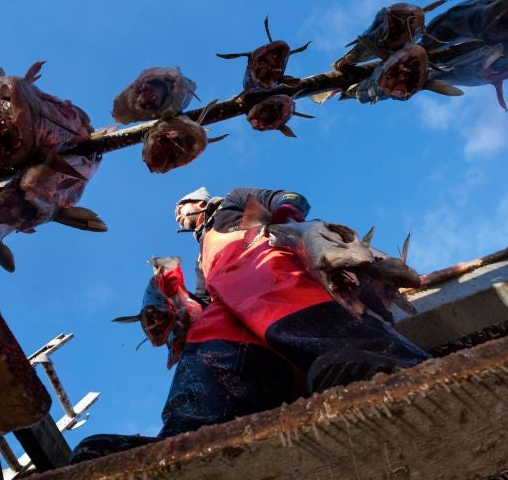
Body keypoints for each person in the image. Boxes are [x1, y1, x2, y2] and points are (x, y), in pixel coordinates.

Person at [70, 186, 430, 462]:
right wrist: (174, 305)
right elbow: (205, 299)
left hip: (263, 263)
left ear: (199, 202)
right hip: (230, 299)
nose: (179, 217)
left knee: (285, 303)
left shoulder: (231, 202)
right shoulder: (200, 259)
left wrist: (285, 213)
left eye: (182, 209)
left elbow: (289, 198)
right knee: (208, 335)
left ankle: (385, 365)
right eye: (177, 216)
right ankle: (190, 433)